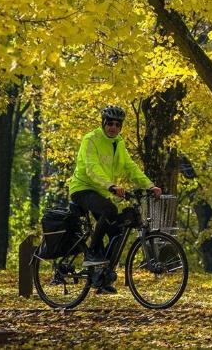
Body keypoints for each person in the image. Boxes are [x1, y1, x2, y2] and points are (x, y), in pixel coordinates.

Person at [68, 104, 161, 294]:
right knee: (109, 210)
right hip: (82, 188)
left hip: (101, 192)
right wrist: (111, 186)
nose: (113, 127)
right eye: (109, 123)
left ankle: (101, 278)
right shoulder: (91, 139)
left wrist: (150, 186)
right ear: (103, 123)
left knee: (116, 231)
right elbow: (91, 168)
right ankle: (92, 252)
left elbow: (130, 167)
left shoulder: (118, 142)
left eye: (118, 125)